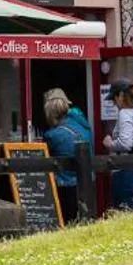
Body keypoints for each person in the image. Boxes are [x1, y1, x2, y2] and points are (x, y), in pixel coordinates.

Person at [41, 88, 94, 220]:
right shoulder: (82, 123)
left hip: (66, 187)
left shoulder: (53, 135)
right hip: (88, 183)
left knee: (68, 222)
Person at [106, 81, 133, 211]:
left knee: (125, 212)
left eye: (114, 99)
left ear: (120, 96)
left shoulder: (125, 113)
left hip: (127, 172)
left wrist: (110, 144)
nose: (113, 103)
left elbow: (126, 144)